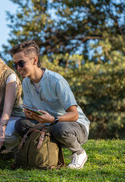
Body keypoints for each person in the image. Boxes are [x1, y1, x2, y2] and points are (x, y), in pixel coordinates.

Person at [9, 40, 90, 169]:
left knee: (59, 128)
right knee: (21, 124)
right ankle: (42, 150)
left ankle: (79, 153)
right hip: (48, 124)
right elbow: (29, 111)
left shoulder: (56, 80)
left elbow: (74, 114)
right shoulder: (26, 83)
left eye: (21, 63)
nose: (18, 68)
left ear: (35, 60)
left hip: (74, 127)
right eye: (15, 65)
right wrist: (30, 115)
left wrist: (53, 119)